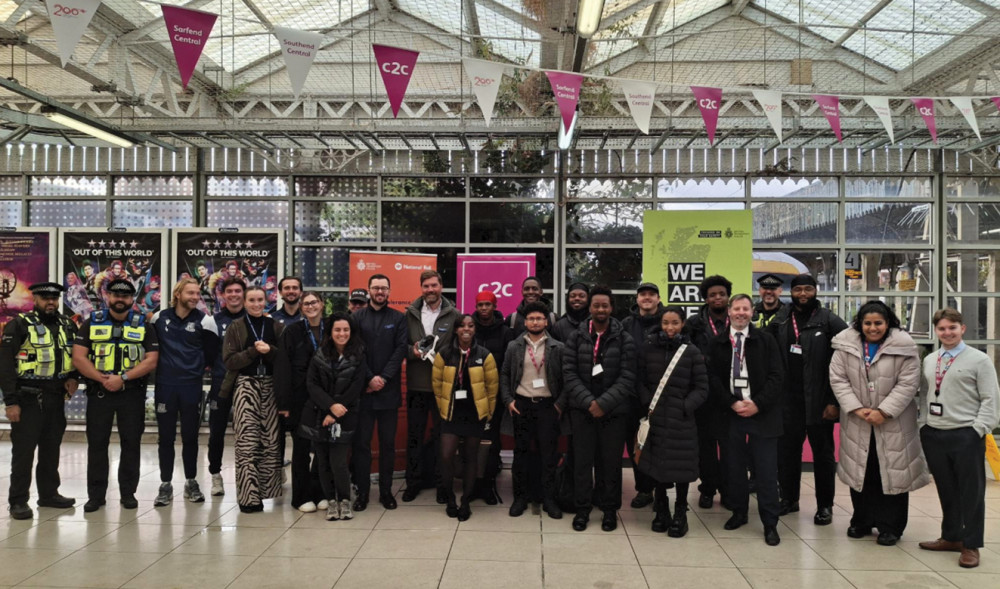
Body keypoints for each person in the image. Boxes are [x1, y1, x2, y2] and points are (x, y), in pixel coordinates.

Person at [830, 301, 929, 546]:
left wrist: (884, 411)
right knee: (862, 471)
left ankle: (891, 526)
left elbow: (908, 383)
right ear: (859, 324)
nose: (873, 328)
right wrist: (856, 408)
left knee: (891, 472)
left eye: (878, 323)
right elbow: (838, 379)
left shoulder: (905, 347)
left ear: (888, 323)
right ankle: (861, 520)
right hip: (858, 420)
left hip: (893, 422)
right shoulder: (844, 346)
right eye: (868, 323)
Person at [917, 309, 1000, 568]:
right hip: (935, 433)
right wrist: (923, 425)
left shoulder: (979, 360)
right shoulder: (931, 359)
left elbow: (990, 398)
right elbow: (925, 395)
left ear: (962, 328)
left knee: (971, 492)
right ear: (936, 331)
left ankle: (971, 544)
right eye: (942, 329)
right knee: (947, 489)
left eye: (952, 327)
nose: (947, 333)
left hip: (966, 434)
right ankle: (951, 537)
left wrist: (978, 429)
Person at [72, 278, 159, 512]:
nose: (120, 300)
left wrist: (123, 378)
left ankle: (128, 493)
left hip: (131, 393)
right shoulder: (91, 323)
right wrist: (102, 379)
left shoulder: (144, 325)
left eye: (125, 296)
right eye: (115, 295)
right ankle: (96, 496)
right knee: (97, 444)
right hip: (99, 393)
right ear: (108, 297)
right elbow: (78, 357)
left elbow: (152, 360)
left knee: (131, 443)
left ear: (132, 299)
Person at [768, 274, 847, 525]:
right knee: (786, 454)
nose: (803, 294)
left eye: (808, 289)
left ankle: (825, 505)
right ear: (791, 292)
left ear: (816, 291)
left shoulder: (830, 322)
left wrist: (834, 401)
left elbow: (844, 365)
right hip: (787, 403)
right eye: (798, 289)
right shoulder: (780, 320)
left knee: (823, 456)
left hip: (820, 402)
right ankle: (789, 499)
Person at [707, 294, 783, 546]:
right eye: (736, 308)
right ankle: (739, 512)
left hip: (762, 414)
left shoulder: (765, 340)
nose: (741, 313)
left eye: (746, 309)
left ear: (753, 312)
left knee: (765, 471)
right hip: (730, 414)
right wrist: (732, 402)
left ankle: (770, 523)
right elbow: (712, 379)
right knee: (734, 468)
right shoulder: (717, 342)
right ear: (728, 312)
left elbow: (777, 376)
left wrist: (757, 404)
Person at [2, 283, 79, 520]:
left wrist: (74, 377)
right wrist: (11, 401)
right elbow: (4, 365)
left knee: (51, 448)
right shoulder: (19, 324)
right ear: (35, 299)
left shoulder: (67, 325)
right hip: (27, 397)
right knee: (24, 452)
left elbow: (76, 355)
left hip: (56, 396)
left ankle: (48, 494)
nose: (51, 303)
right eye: (45, 298)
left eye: (54, 299)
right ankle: (18, 501)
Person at [563, 285, 636, 532]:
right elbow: (569, 373)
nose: (600, 309)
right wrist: (589, 403)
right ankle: (582, 510)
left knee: (610, 464)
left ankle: (609, 511)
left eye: (605, 305)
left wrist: (603, 403)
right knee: (582, 463)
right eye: (596, 305)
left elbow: (627, 376)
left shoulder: (624, 337)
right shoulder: (577, 336)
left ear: (611, 308)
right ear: (590, 308)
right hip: (582, 411)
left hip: (613, 413)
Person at [635, 306, 708, 536]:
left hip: (681, 420)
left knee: (681, 467)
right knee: (657, 465)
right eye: (666, 322)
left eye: (674, 323)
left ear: (682, 323)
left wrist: (685, 406)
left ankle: (680, 512)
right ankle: (661, 508)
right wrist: (648, 403)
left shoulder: (692, 351)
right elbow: (639, 380)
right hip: (656, 417)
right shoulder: (648, 349)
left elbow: (702, 387)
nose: (669, 328)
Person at [151, 278, 219, 507]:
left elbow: (212, 354)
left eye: (198, 293)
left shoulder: (206, 321)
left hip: (191, 386)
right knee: (165, 437)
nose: (195, 297)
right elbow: (150, 350)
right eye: (190, 292)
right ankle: (165, 484)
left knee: (190, 436)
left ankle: (191, 481)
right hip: (165, 385)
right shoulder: (159, 318)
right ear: (178, 294)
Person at [221, 286, 286, 513]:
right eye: (252, 300)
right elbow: (229, 361)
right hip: (246, 385)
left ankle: (267, 492)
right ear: (245, 302)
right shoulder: (236, 327)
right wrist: (252, 352)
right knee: (247, 442)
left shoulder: (276, 326)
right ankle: (248, 497)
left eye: (260, 300)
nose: (256, 304)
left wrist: (269, 351)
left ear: (266, 301)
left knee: (270, 441)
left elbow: (284, 359)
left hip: (270, 385)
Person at [501, 301, 566, 519]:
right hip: (521, 405)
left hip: (548, 407)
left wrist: (559, 405)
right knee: (521, 454)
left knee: (548, 455)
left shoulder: (558, 347)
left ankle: (548, 498)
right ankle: (521, 497)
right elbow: (504, 375)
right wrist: (509, 400)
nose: (535, 322)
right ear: (525, 322)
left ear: (546, 322)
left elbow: (567, 380)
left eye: (539, 318)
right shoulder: (514, 346)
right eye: (531, 318)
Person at [431, 314, 499, 521]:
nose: (466, 329)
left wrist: (488, 414)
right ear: (456, 330)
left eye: (470, 326)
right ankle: (450, 497)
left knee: (471, 458)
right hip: (451, 414)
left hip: (474, 414)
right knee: (446, 455)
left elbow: (492, 388)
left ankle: (466, 501)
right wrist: (443, 408)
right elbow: (436, 384)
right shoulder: (444, 354)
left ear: (475, 329)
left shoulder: (484, 355)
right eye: (462, 326)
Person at [403, 270, 460, 502]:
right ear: (421, 288)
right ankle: (413, 483)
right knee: (414, 437)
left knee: (442, 438)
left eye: (434, 285)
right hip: (417, 386)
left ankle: (442, 485)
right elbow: (400, 346)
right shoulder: (409, 314)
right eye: (426, 286)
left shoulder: (454, 314)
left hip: (443, 387)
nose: (430, 290)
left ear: (441, 286)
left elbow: (460, 347)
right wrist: (412, 352)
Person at [351, 274, 407, 511]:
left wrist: (382, 378)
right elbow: (353, 350)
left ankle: (386, 492)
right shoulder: (357, 318)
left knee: (387, 445)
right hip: (363, 392)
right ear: (369, 290)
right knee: (361, 445)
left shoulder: (399, 318)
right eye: (376, 288)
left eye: (384, 288)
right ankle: (362, 493)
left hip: (388, 392)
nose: (380, 291)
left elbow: (400, 350)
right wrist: (369, 377)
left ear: (389, 291)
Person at [303, 312, 366, 521]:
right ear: (330, 333)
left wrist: (336, 411)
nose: (342, 333)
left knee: (338, 461)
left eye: (346, 330)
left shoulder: (358, 354)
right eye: (337, 330)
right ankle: (331, 501)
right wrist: (330, 407)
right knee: (323, 461)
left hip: (345, 415)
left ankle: (345, 500)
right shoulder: (320, 354)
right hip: (320, 415)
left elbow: (356, 387)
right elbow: (312, 384)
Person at [275, 291, 326, 513]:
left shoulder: (332, 329)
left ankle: (321, 493)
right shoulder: (292, 331)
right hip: (299, 398)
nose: (311, 306)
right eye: (306, 304)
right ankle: (301, 497)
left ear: (322, 304)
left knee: (323, 449)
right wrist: (283, 403)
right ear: (302, 308)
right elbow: (283, 368)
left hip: (326, 397)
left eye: (314, 302)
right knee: (302, 449)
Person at [685, 274, 732, 509]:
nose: (717, 298)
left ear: (727, 296)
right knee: (705, 446)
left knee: (729, 445)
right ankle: (708, 488)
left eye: (721, 294)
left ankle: (727, 488)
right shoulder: (694, 323)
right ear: (705, 298)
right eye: (712, 294)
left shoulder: (737, 320)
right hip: (703, 393)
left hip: (730, 394)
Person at [621, 282, 665, 509]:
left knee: (660, 444)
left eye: (651, 294)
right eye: (643, 295)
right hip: (632, 395)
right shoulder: (626, 324)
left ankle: (662, 493)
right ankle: (644, 490)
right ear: (637, 299)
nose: (647, 298)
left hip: (663, 395)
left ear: (658, 298)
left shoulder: (668, 320)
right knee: (637, 444)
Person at [471, 289, 515, 504]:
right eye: (480, 305)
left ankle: (488, 484)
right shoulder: (468, 329)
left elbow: (508, 366)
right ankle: (473, 484)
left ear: (494, 306)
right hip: (471, 395)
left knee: (492, 441)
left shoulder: (506, 332)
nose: (484, 308)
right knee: (472, 439)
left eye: (488, 304)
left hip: (495, 396)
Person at [206, 276, 246, 497]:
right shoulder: (213, 321)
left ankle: (248, 475)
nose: (233, 295)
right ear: (223, 295)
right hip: (221, 384)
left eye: (237, 291)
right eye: (229, 291)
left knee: (248, 432)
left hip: (247, 384)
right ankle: (215, 475)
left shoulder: (252, 319)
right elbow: (210, 355)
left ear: (243, 294)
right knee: (217, 432)